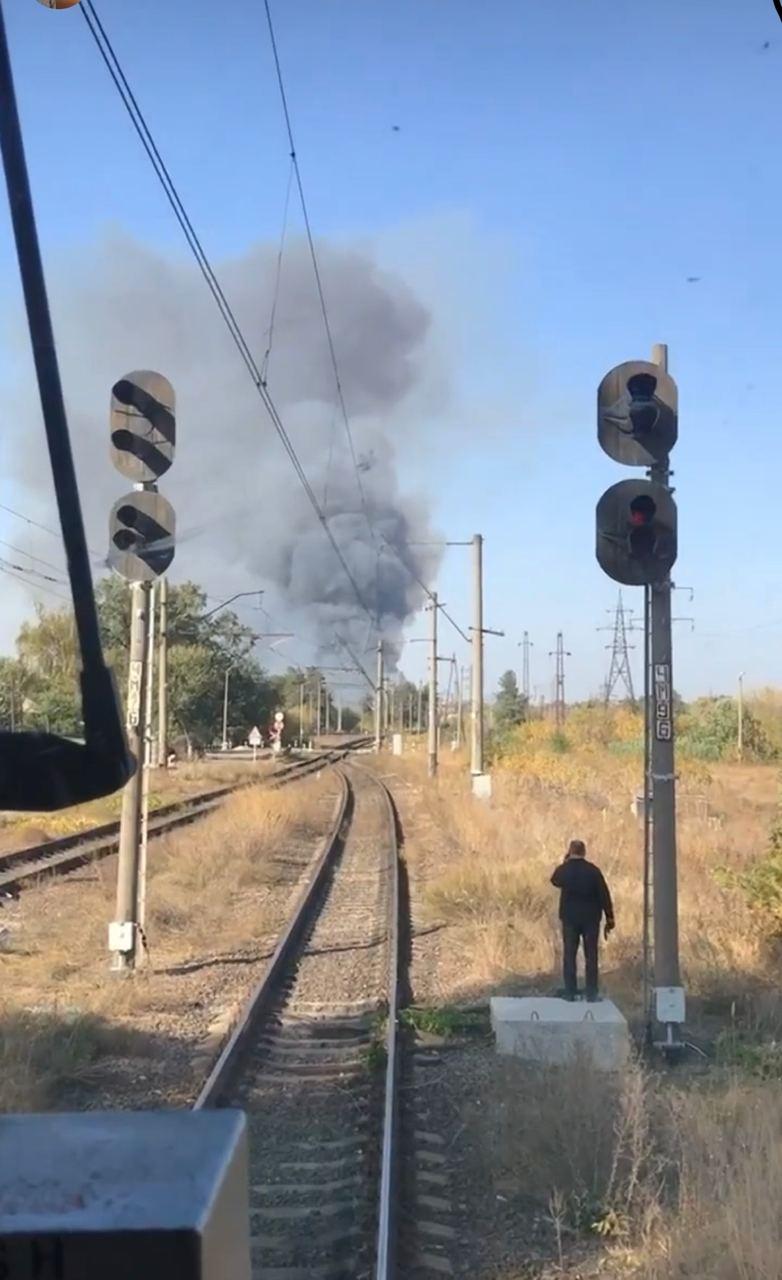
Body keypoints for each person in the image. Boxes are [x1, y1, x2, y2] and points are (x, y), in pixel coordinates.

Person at [550, 839, 614, 1002]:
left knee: (569, 954)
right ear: (584, 852)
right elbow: (604, 895)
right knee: (591, 955)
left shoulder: (565, 870)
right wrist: (609, 917)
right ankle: (591, 992)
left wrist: (565, 862)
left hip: (570, 919)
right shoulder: (593, 871)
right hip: (591, 919)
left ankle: (570, 991)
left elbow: (554, 880)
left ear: (570, 851)